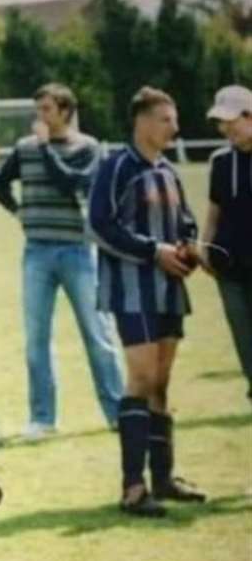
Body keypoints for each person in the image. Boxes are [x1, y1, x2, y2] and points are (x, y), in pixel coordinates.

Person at [88, 86, 205, 517]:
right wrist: (154, 250)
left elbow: (187, 222)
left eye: (173, 120)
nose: (174, 127)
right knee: (139, 379)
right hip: (130, 289)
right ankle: (132, 488)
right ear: (142, 122)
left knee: (160, 383)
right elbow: (99, 225)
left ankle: (164, 478)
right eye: (166, 119)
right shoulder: (116, 166)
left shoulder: (169, 171)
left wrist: (188, 248)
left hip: (169, 290)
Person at [0, 82, 123, 437]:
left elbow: (73, 184)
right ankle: (42, 419)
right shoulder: (24, 148)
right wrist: (17, 210)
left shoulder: (88, 148)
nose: (40, 117)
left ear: (65, 111)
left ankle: (117, 412)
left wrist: (47, 149)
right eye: (38, 110)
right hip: (36, 252)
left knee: (98, 335)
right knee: (37, 339)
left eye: (47, 110)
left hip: (78, 252)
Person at [201, 85, 252, 402]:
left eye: (231, 120)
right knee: (243, 334)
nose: (225, 128)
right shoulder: (220, 161)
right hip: (229, 266)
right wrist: (205, 246)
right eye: (221, 122)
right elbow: (214, 209)